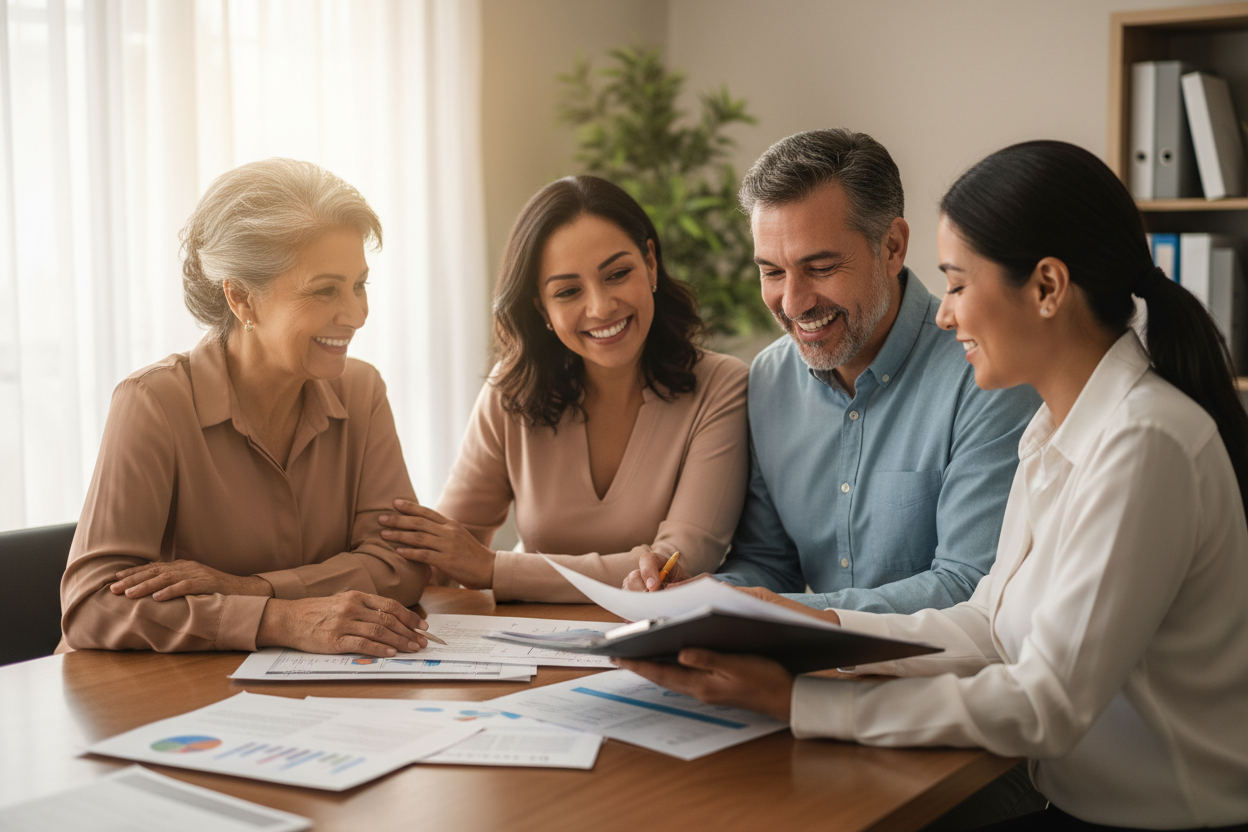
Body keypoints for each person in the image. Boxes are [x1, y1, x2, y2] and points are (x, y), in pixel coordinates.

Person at [618, 140, 1248, 830]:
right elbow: (991, 626)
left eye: (955, 283)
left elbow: (1047, 705)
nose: (945, 315)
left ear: (1046, 288)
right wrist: (805, 622)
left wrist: (802, 702)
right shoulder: (1056, 430)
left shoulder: (1143, 442)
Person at [627, 128, 1040, 614]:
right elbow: (770, 565)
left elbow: (968, 585)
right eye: (772, 272)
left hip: (941, 681)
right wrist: (694, 595)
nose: (794, 303)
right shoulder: (769, 379)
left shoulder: (986, 374)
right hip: (807, 675)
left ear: (892, 247)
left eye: (820, 267)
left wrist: (787, 613)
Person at [60, 158, 434, 657]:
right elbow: (91, 605)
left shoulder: (361, 390)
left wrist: (252, 588)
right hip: (150, 703)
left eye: (359, 285)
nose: (357, 314)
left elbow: (401, 565)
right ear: (241, 299)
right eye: (325, 289)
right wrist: (279, 618)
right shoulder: (153, 402)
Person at [376, 175, 749, 603]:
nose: (600, 306)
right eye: (568, 291)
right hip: (526, 645)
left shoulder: (722, 387)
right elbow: (445, 553)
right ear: (542, 309)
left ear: (649, 263)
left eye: (617, 274)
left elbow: (674, 566)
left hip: (662, 647)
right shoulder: (510, 392)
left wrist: (495, 569)